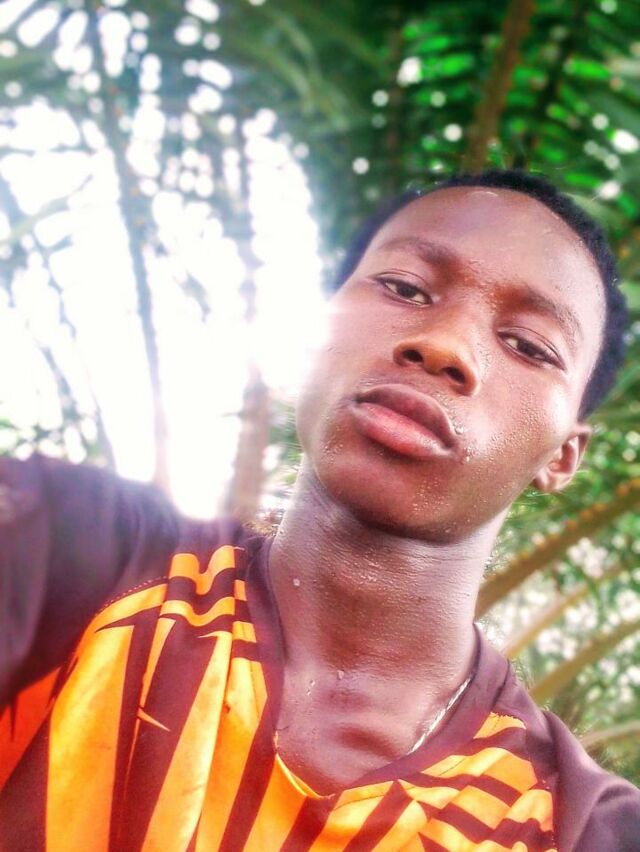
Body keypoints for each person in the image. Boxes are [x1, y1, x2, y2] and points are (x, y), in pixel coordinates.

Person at [0, 169, 638, 852]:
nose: (445, 346)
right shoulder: (67, 552)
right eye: (404, 288)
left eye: (529, 345)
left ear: (562, 455)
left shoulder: (576, 828)